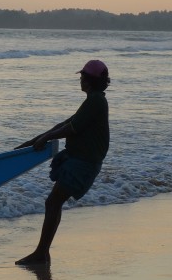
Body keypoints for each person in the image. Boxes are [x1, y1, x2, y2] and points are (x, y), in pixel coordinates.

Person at [14, 59, 111, 266]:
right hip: (79, 159)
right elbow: (66, 123)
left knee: (53, 202)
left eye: (83, 76)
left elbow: (72, 128)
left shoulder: (96, 101)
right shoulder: (93, 100)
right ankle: (42, 253)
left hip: (84, 162)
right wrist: (36, 139)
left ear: (89, 80)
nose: (81, 80)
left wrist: (45, 138)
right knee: (54, 202)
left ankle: (42, 253)